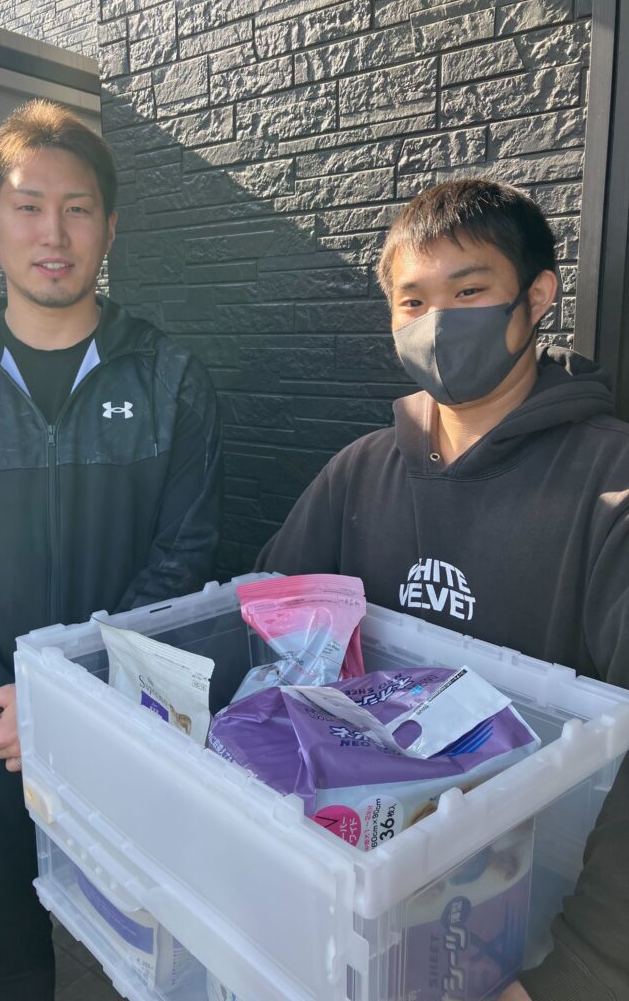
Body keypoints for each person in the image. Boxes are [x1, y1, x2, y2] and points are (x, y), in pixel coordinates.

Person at [0, 99, 222, 1001]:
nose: (53, 233)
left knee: (146, 926)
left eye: (77, 208)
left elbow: (185, 552)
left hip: (126, 717)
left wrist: (74, 698)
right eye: (29, 206)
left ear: (111, 227)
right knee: (10, 932)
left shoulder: (169, 379)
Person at [257, 179, 629, 1001]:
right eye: (413, 301)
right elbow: (269, 642)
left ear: (537, 296)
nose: (437, 323)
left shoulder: (611, 486)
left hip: (528, 923)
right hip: (357, 886)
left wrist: (582, 974)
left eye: (469, 291)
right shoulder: (358, 472)